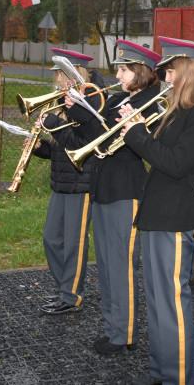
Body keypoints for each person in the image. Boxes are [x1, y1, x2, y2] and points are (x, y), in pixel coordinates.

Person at [121, 37, 194, 385]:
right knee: (156, 300)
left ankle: (179, 377)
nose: (166, 77)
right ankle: (161, 371)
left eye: (170, 70)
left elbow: (176, 163)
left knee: (172, 303)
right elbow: (162, 153)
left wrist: (137, 134)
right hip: (158, 212)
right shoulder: (181, 110)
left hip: (176, 214)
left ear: (189, 69)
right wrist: (135, 126)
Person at [77, 39, 161, 355]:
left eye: (124, 70)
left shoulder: (152, 101)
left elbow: (136, 142)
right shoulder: (117, 99)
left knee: (121, 264)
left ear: (141, 72)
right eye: (118, 69)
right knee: (106, 264)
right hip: (103, 188)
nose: (119, 75)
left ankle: (124, 334)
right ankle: (112, 327)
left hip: (126, 191)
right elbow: (93, 130)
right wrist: (80, 108)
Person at [27, 48, 97, 316]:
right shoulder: (59, 103)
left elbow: (82, 144)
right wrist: (40, 148)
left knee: (74, 242)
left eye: (65, 75)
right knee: (51, 239)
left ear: (78, 75)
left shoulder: (89, 103)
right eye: (58, 75)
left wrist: (56, 123)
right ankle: (64, 287)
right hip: (60, 183)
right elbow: (60, 148)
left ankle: (72, 294)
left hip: (82, 183)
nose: (59, 81)